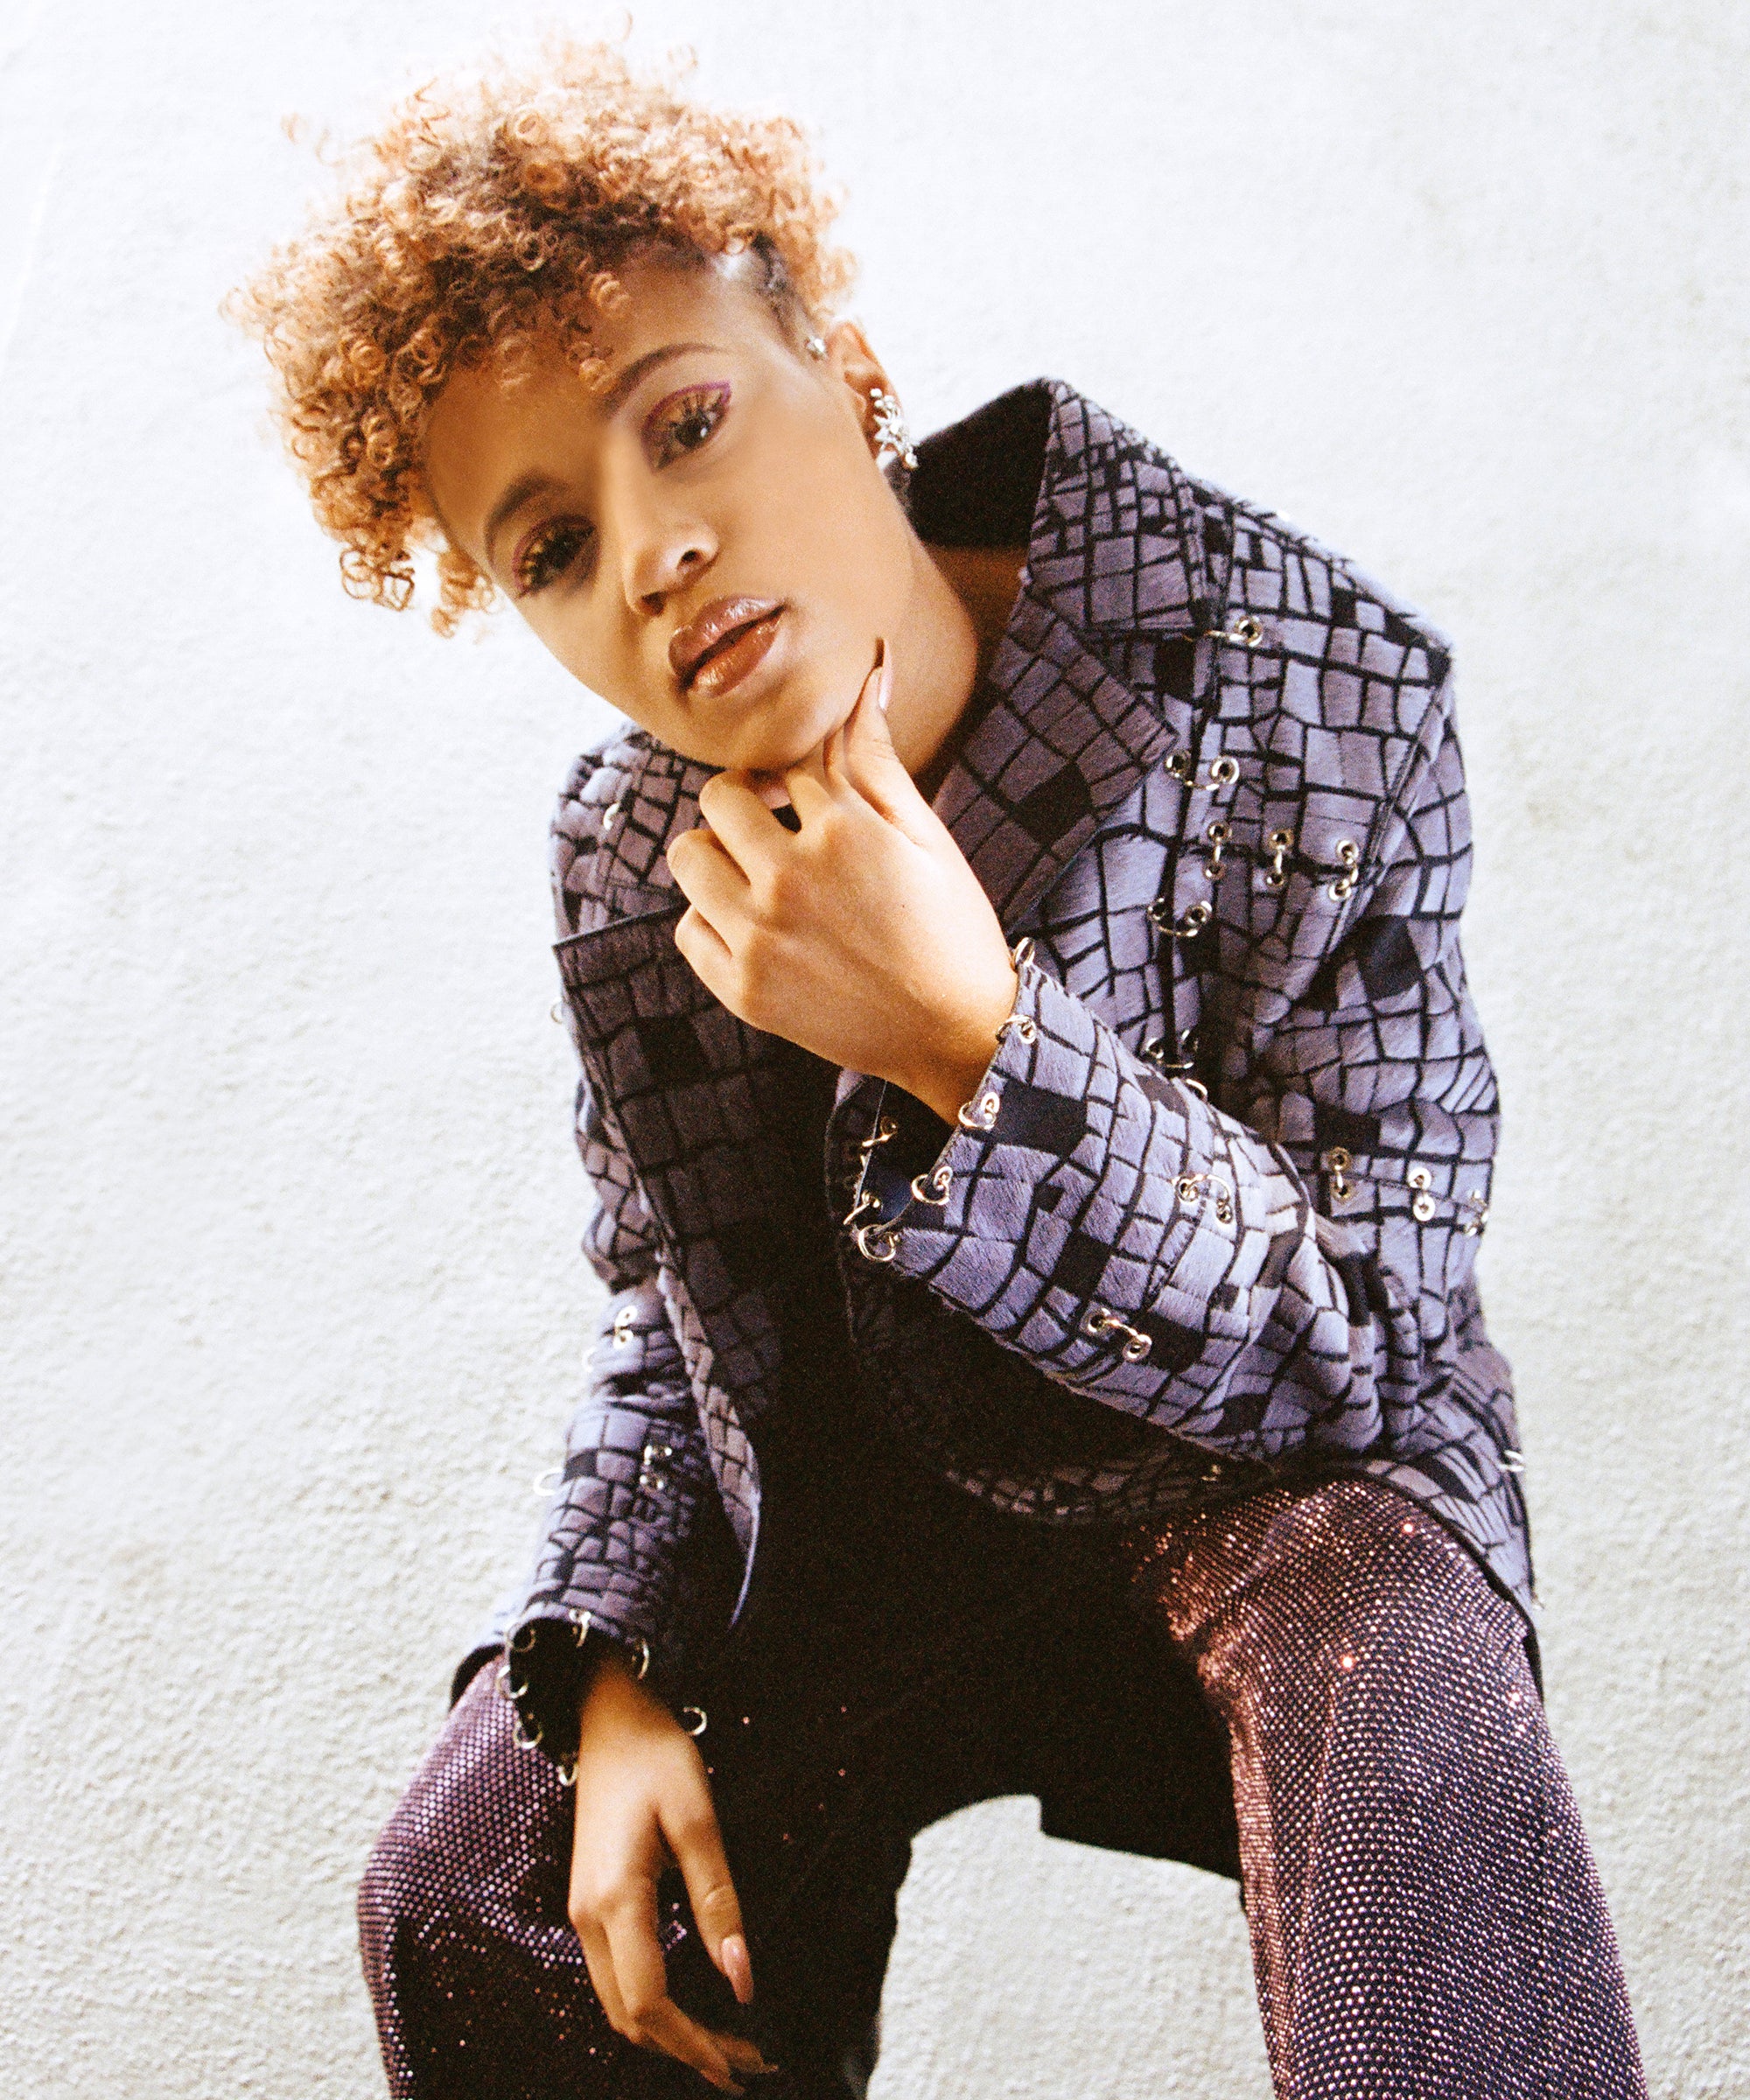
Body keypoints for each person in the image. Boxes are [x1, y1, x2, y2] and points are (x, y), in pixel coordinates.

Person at [232, 43, 1648, 2100]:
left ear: (849, 368)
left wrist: (972, 1044)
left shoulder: (1302, 672)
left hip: (1259, 1490)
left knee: (1401, 1678)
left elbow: (1364, 1345)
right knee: (477, 1879)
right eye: (548, 547)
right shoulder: (630, 861)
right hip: (860, 1542)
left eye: (685, 423)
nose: (653, 552)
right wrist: (607, 1670)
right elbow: (671, 1316)